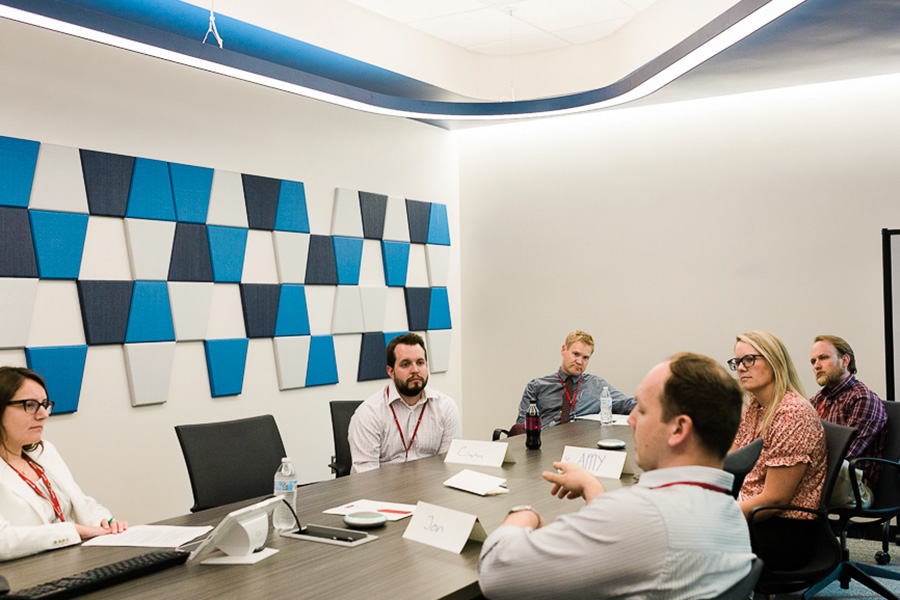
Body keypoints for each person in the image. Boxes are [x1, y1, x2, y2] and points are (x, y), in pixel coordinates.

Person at [479, 353, 754, 599]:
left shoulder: (644, 517)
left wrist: (525, 513)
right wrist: (592, 487)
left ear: (678, 430)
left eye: (643, 410)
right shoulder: (729, 510)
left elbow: (496, 572)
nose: (632, 419)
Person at [0, 367, 127, 561]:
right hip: (25, 575)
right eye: (30, 405)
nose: (43, 415)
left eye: (44, 405)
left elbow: (82, 503)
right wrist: (73, 531)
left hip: (74, 561)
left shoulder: (44, 452)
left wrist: (103, 522)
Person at [730, 331, 825, 570]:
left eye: (749, 360)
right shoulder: (757, 406)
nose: (741, 368)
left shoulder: (792, 413)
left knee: (681, 538)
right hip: (753, 514)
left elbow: (774, 500)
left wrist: (717, 516)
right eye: (737, 362)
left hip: (783, 533)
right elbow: (733, 457)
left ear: (774, 361)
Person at [348, 333, 461, 473]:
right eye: (406, 364)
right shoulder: (369, 413)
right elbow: (365, 476)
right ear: (391, 371)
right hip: (382, 491)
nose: (415, 370)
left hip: (430, 491)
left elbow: (447, 467)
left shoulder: (446, 407)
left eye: (420, 363)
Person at [810, 334, 887, 507]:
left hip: (855, 486)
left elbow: (844, 454)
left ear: (845, 360)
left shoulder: (863, 398)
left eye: (823, 358)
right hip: (821, 475)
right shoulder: (818, 400)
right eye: (813, 361)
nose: (817, 365)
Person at [514, 330, 635, 431]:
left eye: (585, 357)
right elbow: (521, 428)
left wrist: (651, 407)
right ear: (563, 350)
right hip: (544, 445)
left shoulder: (596, 386)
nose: (579, 361)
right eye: (576, 354)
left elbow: (626, 404)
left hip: (580, 447)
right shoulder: (537, 386)